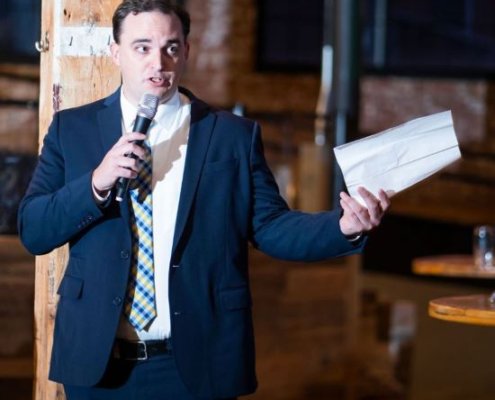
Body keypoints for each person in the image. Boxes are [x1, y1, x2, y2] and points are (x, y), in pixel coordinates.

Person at [18, 1, 390, 399]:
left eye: (171, 47)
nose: (158, 62)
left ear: (186, 52)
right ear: (116, 52)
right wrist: (96, 182)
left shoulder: (231, 136)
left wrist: (343, 228)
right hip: (98, 365)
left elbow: (271, 227)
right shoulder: (72, 129)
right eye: (142, 47)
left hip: (195, 363)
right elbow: (34, 230)